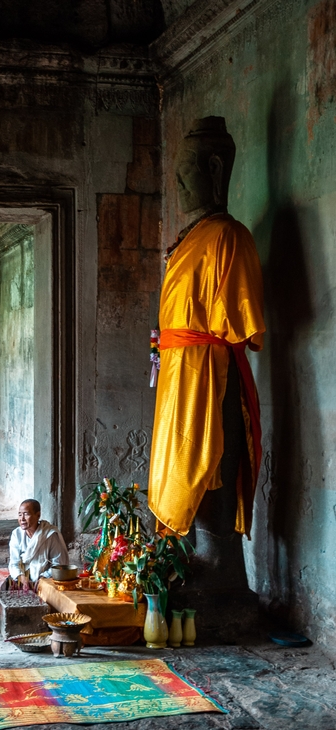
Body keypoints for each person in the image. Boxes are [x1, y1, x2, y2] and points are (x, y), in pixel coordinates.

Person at [148, 117, 265, 593]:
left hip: (209, 375)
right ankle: (198, 554)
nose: (176, 183)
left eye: (185, 171)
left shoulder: (228, 236)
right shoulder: (187, 240)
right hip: (178, 372)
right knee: (175, 467)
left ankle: (221, 567)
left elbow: (241, 324)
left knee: (210, 462)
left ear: (215, 169)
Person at [8, 499, 69, 584]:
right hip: (23, 579)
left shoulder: (50, 534)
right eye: (20, 514)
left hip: (46, 579)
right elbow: (14, 563)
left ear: (38, 515)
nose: (22, 519)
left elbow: (59, 565)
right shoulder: (16, 534)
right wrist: (21, 577)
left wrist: (43, 577)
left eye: (26, 514)